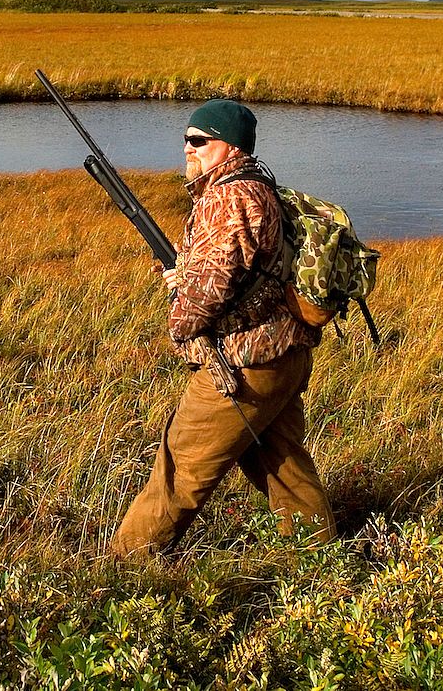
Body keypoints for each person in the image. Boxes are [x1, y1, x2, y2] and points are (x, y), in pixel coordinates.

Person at [109, 99, 335, 557]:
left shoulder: (228, 199)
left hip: (245, 364)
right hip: (281, 355)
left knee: (179, 468)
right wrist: (185, 271)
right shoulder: (253, 188)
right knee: (283, 466)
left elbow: (205, 297)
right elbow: (232, 272)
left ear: (228, 147)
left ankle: (122, 569)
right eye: (185, 140)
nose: (187, 149)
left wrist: (179, 313)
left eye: (198, 141)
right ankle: (323, 561)